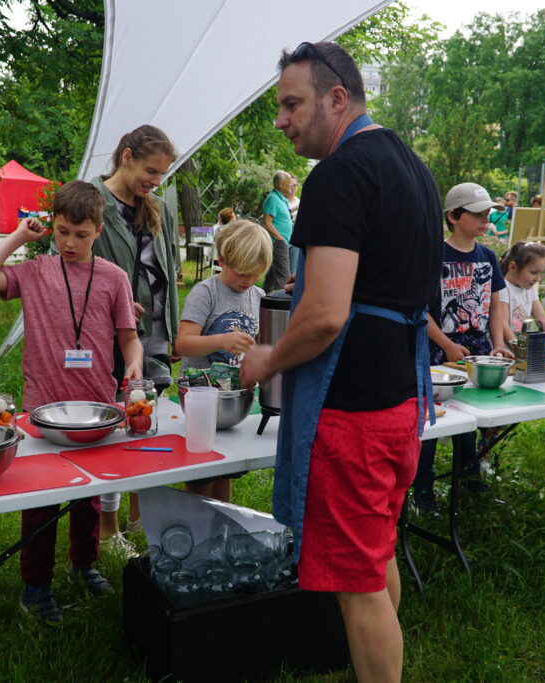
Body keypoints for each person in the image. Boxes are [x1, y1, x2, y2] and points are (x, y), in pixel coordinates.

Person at [240, 41, 442, 682]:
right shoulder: (412, 167)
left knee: (357, 588)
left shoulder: (338, 174)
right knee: (376, 556)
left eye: (291, 104)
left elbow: (326, 315)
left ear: (337, 97)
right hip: (401, 403)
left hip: (352, 412)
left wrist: (268, 359)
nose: (282, 120)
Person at [0, 180, 143, 624]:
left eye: (81, 235)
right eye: (62, 231)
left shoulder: (113, 279)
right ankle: (36, 586)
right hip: (42, 406)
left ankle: (84, 564)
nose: (69, 242)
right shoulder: (36, 271)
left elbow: (129, 337)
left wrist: (135, 364)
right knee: (41, 500)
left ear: (98, 231)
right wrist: (21, 236)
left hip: (97, 405)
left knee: (89, 496)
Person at [90, 124, 180, 545]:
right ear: (126, 157)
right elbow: (68, 271)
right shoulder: (92, 202)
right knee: (110, 433)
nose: (155, 181)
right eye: (150, 170)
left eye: (161, 174)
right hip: (108, 340)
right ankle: (106, 527)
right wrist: (114, 302)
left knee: (146, 428)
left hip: (154, 339)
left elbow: (170, 274)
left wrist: (175, 331)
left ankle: (139, 520)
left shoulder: (159, 206)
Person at [412, 182, 511, 514]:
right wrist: (446, 343)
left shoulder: (488, 257)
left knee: (470, 419)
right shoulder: (431, 255)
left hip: (477, 351)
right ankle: (422, 487)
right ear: (453, 216)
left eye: (488, 214)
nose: (486, 221)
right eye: (478, 214)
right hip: (439, 352)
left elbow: (496, 306)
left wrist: (498, 345)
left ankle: (469, 475)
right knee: (430, 422)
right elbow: (418, 309)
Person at [175, 219, 272, 501]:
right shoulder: (206, 292)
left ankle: (222, 528)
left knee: (226, 467)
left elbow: (260, 343)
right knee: (202, 472)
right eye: (241, 273)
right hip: (202, 399)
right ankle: (195, 530)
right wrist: (221, 340)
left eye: (256, 274)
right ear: (221, 260)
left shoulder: (258, 296)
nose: (248, 281)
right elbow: (183, 343)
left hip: (234, 401)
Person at [499, 241, 545, 338]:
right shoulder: (502, 289)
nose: (538, 278)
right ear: (512, 267)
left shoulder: (528, 289)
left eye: (540, 273)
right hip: (505, 351)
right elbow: (502, 325)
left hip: (521, 348)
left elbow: (542, 319)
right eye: (534, 272)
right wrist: (518, 350)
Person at [261, 170, 293, 292]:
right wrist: (280, 238)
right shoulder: (272, 199)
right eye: (289, 182)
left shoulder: (281, 199)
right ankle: (282, 305)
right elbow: (267, 222)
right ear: (280, 184)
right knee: (283, 275)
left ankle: (263, 300)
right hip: (277, 242)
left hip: (281, 242)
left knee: (272, 276)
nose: (291, 184)